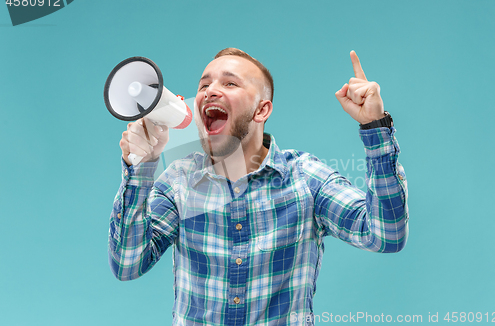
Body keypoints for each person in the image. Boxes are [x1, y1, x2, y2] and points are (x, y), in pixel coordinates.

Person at [108, 48, 409, 326]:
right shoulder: (178, 182)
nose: (210, 90)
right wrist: (140, 171)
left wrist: (375, 127)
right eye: (203, 86)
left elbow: (386, 235)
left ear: (262, 110)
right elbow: (127, 264)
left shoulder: (305, 178)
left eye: (230, 84)